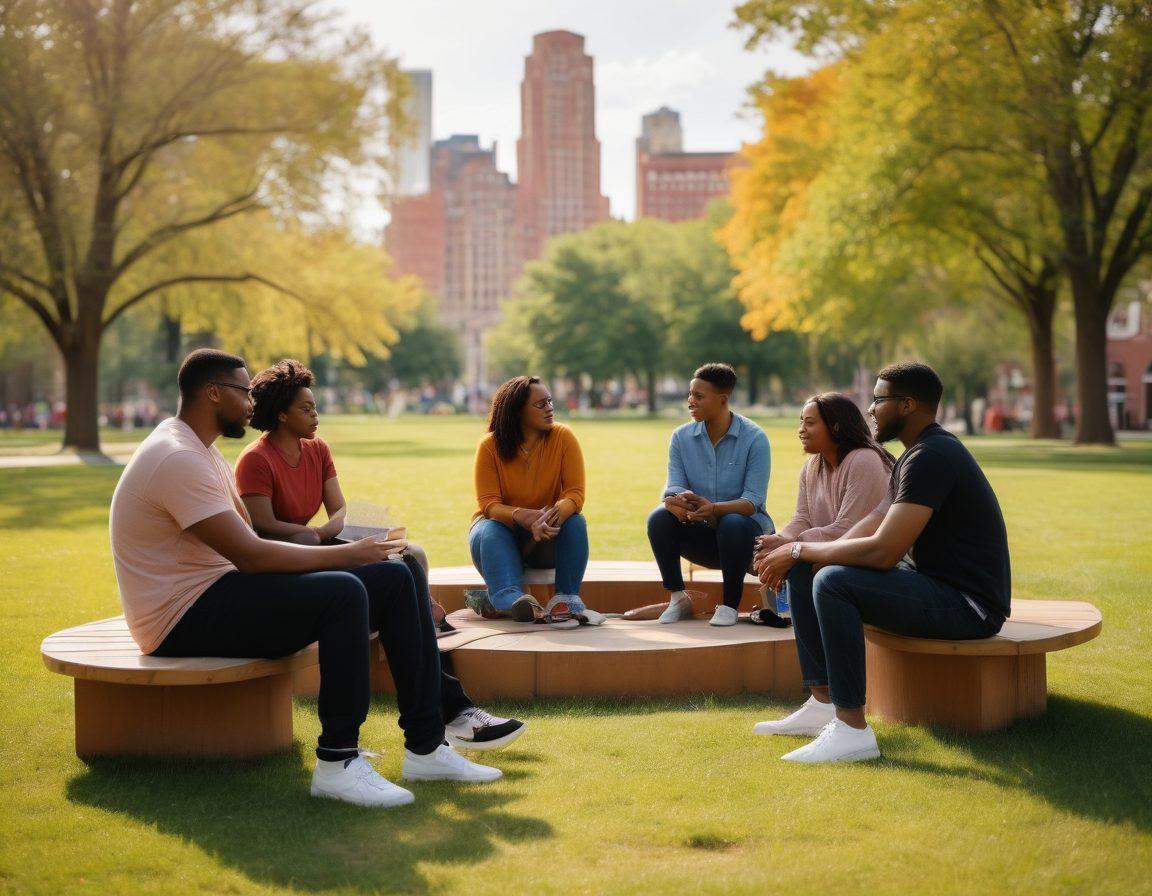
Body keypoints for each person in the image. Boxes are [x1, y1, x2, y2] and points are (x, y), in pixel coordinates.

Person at [109, 349, 503, 808]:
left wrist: (357, 555)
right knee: (344, 591)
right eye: (242, 391)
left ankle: (426, 746)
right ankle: (338, 761)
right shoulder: (176, 457)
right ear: (212, 393)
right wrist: (348, 555)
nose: (251, 403)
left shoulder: (202, 451)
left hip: (220, 592)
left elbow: (246, 554)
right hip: (179, 618)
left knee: (396, 576)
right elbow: (252, 555)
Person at [234, 359, 525, 752]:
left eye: (315, 406)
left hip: (317, 547)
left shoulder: (317, 449)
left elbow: (338, 509)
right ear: (281, 414)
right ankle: (452, 707)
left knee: (407, 557)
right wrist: (316, 535)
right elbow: (262, 525)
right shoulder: (256, 460)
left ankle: (438, 678)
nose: (316, 415)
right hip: (284, 564)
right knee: (401, 581)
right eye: (306, 408)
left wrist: (331, 533)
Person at [755, 362, 1011, 763]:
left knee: (834, 581)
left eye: (878, 400)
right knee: (811, 571)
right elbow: (868, 526)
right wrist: (796, 552)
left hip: (970, 606)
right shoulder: (915, 455)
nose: (870, 409)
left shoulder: (932, 457)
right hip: (934, 585)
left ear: (907, 405)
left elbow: (883, 551)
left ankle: (852, 730)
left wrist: (799, 550)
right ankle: (822, 703)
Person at [468, 376, 604, 625]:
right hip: (498, 539)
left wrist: (550, 516)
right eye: (540, 404)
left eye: (550, 401)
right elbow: (488, 504)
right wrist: (522, 515)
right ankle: (513, 600)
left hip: (546, 536)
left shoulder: (563, 437)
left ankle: (566, 599)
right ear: (517, 411)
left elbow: (575, 495)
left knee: (575, 521)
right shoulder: (489, 446)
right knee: (489, 527)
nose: (550, 408)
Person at [748, 393, 893, 626]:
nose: (801, 429)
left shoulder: (864, 460)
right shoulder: (811, 466)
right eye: (801, 421)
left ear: (835, 426)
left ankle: (805, 641)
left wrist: (792, 548)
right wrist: (781, 539)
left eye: (810, 422)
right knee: (776, 553)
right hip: (830, 558)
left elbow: (849, 531)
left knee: (796, 565)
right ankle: (785, 617)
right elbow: (802, 518)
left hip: (870, 565)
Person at [647, 363, 773, 626]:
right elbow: (673, 485)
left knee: (733, 521)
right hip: (701, 533)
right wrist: (678, 500)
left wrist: (715, 509)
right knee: (659, 517)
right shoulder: (680, 437)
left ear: (722, 399)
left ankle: (729, 605)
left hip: (745, 540)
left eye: (699, 396)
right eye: (690, 395)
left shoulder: (755, 439)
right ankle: (677, 598)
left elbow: (752, 502)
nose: (690, 401)